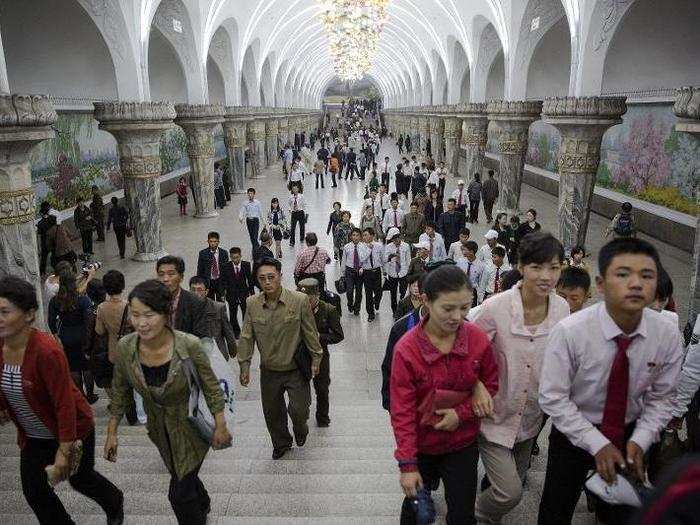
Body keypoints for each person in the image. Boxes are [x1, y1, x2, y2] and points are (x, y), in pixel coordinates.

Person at [537, 237, 683, 524]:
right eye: (623, 274)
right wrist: (595, 442)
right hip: (574, 432)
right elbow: (553, 396)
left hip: (630, 432)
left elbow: (662, 397)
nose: (636, 284)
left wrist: (641, 439)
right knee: (556, 508)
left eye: (646, 275)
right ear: (601, 285)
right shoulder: (571, 332)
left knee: (621, 512)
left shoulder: (666, 335)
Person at [105, 279, 231, 524]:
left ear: (165, 313)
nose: (141, 323)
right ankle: (202, 500)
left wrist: (221, 425)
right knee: (181, 474)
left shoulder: (189, 345)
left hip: (191, 427)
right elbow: (120, 390)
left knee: (179, 495)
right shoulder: (126, 347)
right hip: (158, 429)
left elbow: (211, 387)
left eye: (149, 315)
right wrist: (111, 432)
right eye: (135, 314)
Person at [0, 276, 124, 525]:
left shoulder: (46, 351)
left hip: (72, 428)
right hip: (33, 436)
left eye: (4, 311)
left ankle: (114, 500)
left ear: (28, 314)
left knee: (80, 478)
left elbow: (64, 404)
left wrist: (64, 450)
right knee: (34, 491)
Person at [471, 232, 569, 524]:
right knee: (509, 492)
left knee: (514, 481)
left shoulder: (562, 308)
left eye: (554, 267)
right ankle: (467, 512)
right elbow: (464, 348)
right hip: (494, 417)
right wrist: (476, 386)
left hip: (530, 418)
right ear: (522, 267)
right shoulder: (495, 308)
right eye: (537, 267)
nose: (546, 276)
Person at [390, 265, 499, 524]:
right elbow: (402, 411)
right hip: (422, 446)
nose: (457, 317)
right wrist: (407, 465)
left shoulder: (477, 339)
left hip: (461, 445)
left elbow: (492, 384)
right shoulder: (407, 350)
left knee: (462, 514)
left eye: (464, 307)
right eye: (448, 308)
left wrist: (460, 414)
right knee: (416, 514)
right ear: (426, 301)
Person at [237, 258, 323, 459]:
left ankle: (300, 429)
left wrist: (316, 359)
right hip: (269, 370)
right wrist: (244, 365)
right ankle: (281, 443)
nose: (267, 282)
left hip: (295, 369)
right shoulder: (252, 304)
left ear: (280, 276)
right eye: (262, 279)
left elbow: (310, 332)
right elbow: (247, 335)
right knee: (273, 412)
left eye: (271, 277)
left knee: (299, 410)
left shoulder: (299, 300)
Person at [297, 278, 344, 427]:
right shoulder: (296, 309)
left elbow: (338, 335)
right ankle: (300, 419)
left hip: (321, 356)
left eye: (309, 299)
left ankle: (322, 418)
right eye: (303, 298)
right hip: (300, 355)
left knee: (322, 389)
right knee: (299, 391)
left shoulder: (329, 310)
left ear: (317, 296)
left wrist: (320, 337)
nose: (306, 302)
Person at [48, 270, 94, 397]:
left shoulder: (55, 300)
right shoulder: (82, 299)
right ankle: (90, 394)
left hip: (66, 335)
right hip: (82, 335)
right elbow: (89, 320)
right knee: (86, 367)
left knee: (73, 367)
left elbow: (51, 322)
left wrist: (57, 337)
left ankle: (80, 394)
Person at [155, 256, 208, 338]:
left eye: (171, 274)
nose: (165, 279)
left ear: (181, 277)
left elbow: (200, 336)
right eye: (161, 274)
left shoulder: (196, 302)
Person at [188, 276, 237, 361]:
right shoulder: (184, 309)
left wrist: (233, 349)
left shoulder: (218, 308)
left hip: (216, 355)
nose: (196, 293)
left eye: (199, 290)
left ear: (206, 292)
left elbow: (228, 331)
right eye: (193, 290)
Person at [220, 247, 254, 339]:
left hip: (244, 294)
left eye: (237, 257)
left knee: (246, 314)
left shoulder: (246, 265)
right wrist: (222, 293)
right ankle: (236, 332)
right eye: (233, 258)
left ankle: (247, 331)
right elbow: (222, 281)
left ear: (240, 256)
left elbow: (250, 280)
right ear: (230, 257)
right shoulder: (225, 266)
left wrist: (253, 294)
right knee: (233, 314)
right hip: (231, 295)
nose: (235, 260)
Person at [342, 228, 370, 316]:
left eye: (357, 235)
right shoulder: (347, 247)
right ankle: (350, 304)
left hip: (360, 271)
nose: (355, 237)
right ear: (351, 237)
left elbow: (365, 259)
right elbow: (343, 260)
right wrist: (342, 273)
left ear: (360, 236)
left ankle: (357, 308)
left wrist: (362, 268)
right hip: (349, 271)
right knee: (349, 291)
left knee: (359, 292)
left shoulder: (364, 246)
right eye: (353, 235)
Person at [383, 228, 411, 315]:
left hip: (403, 272)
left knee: (403, 293)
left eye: (398, 238)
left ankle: (402, 309)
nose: (397, 240)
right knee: (393, 293)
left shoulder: (406, 246)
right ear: (392, 240)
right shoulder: (388, 247)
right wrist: (390, 257)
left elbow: (408, 259)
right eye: (394, 239)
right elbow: (384, 260)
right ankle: (394, 311)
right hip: (392, 273)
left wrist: (408, 272)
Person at [196, 231, 229, 302]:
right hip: (208, 283)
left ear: (218, 242)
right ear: (208, 241)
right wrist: (201, 286)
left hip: (220, 282)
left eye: (215, 241)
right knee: (210, 305)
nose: (213, 243)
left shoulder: (224, 253)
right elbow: (200, 270)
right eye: (211, 241)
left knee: (221, 305)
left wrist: (226, 287)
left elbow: (226, 271)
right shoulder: (203, 253)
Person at [362, 228, 384, 322]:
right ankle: (370, 313)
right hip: (366, 272)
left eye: (366, 235)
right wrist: (369, 250)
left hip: (377, 271)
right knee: (368, 294)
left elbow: (382, 259)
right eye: (363, 235)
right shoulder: (361, 246)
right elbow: (362, 259)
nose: (364, 237)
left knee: (379, 291)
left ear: (372, 235)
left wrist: (385, 270)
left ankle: (376, 301)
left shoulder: (379, 245)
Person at [456, 241, 484, 307]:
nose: (463, 252)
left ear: (471, 252)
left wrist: (480, 299)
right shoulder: (460, 262)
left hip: (472, 291)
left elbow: (481, 283)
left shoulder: (481, 266)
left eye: (465, 250)